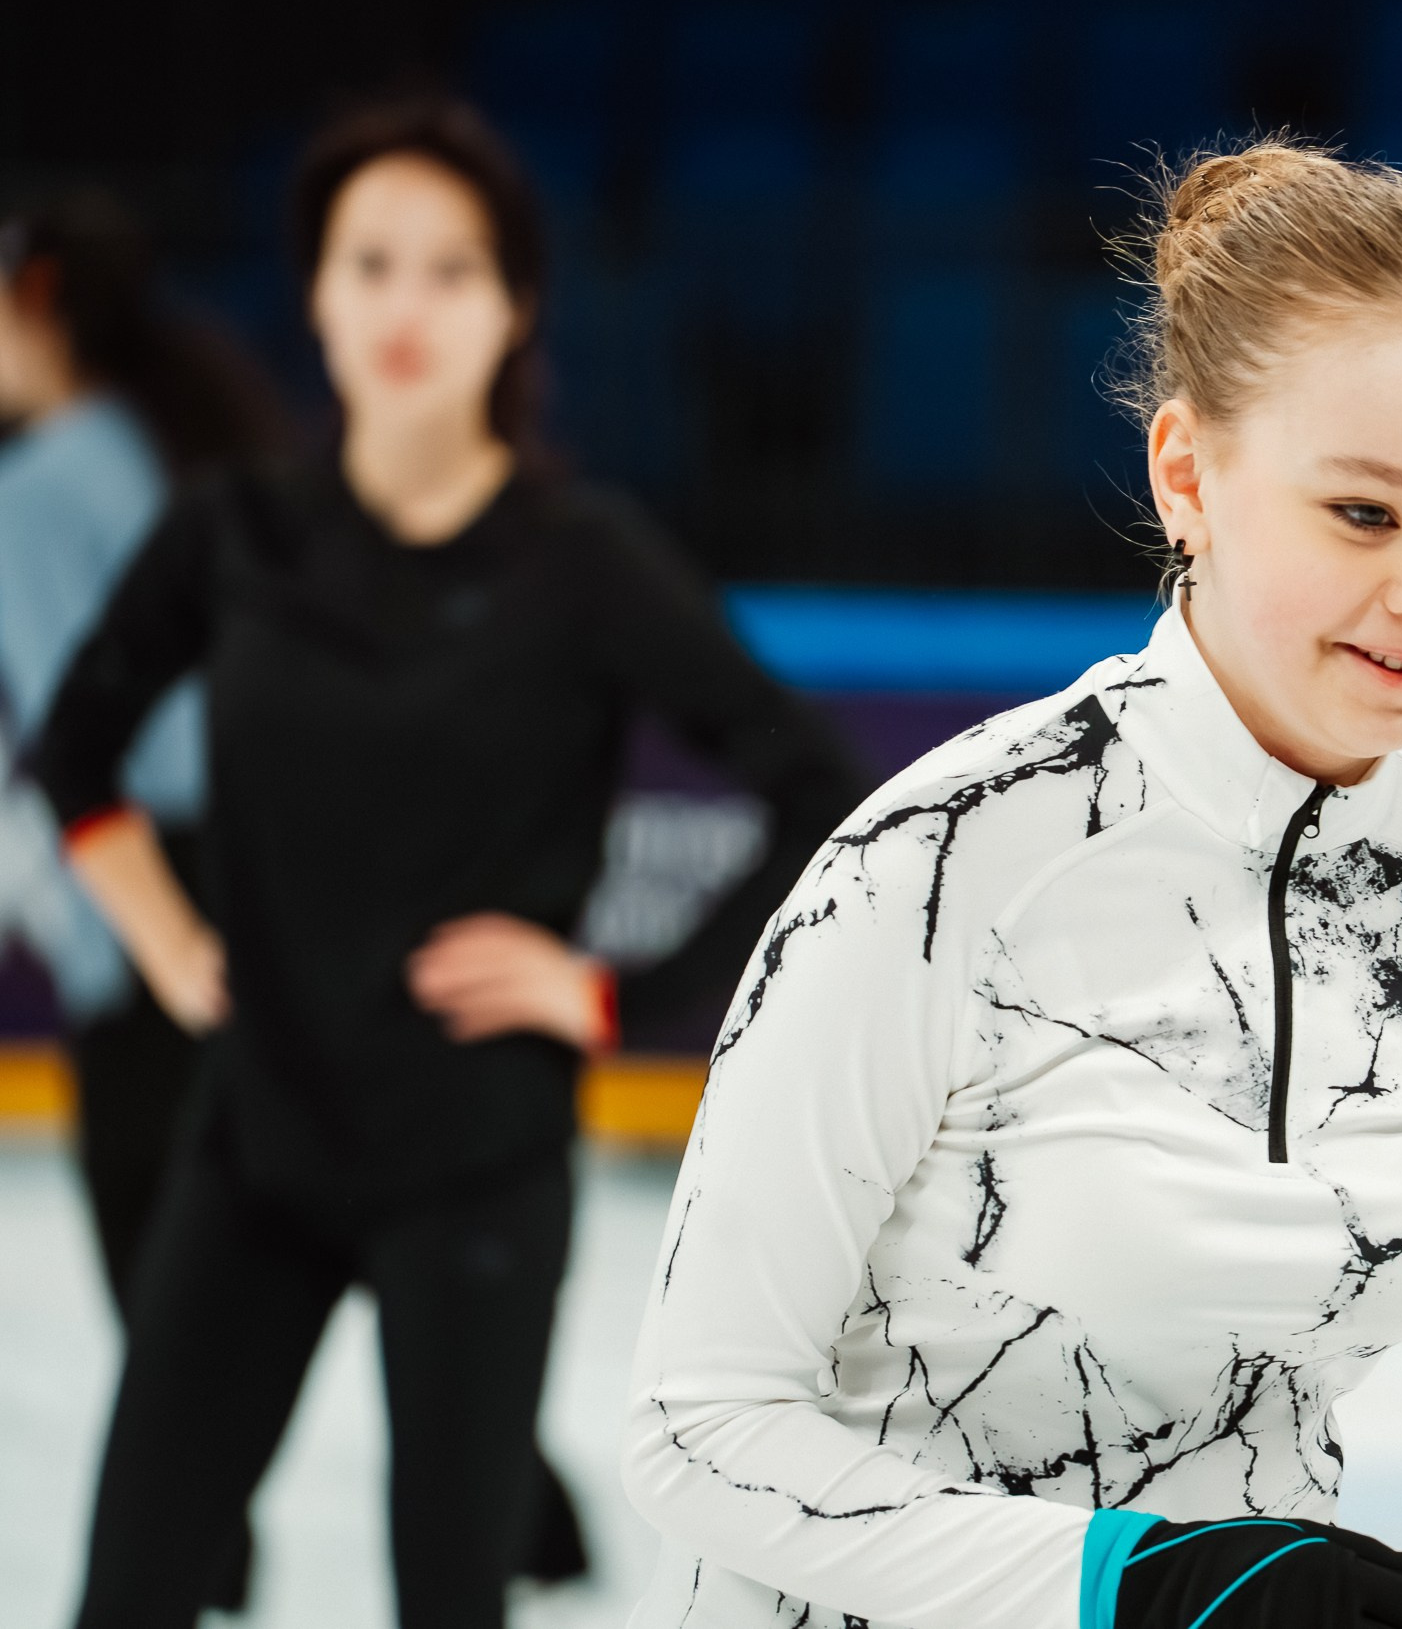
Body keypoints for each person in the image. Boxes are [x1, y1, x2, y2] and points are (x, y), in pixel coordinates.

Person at [619, 141, 1402, 1628]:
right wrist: (1137, 1585)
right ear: (1188, 473)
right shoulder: (944, 863)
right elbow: (703, 1430)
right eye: (1364, 514)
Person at [34, 97, 865, 1628]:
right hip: (254, 1146)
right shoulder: (235, 534)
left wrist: (619, 996)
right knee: (131, 1594)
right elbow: (72, 751)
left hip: (473, 1170)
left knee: (449, 1604)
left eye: (450, 268)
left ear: (514, 306)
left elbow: (815, 791)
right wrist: (167, 943)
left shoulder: (583, 559)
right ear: (319, 292)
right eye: (372, 263)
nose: (406, 305)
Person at [0, 192, 287, 1612]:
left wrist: (112, 918)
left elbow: (78, 728)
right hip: (244, 844)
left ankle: (196, 1546)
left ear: (37, 297)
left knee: (161, 1226)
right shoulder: (168, 440)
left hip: (152, 865)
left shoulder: (51, 478)